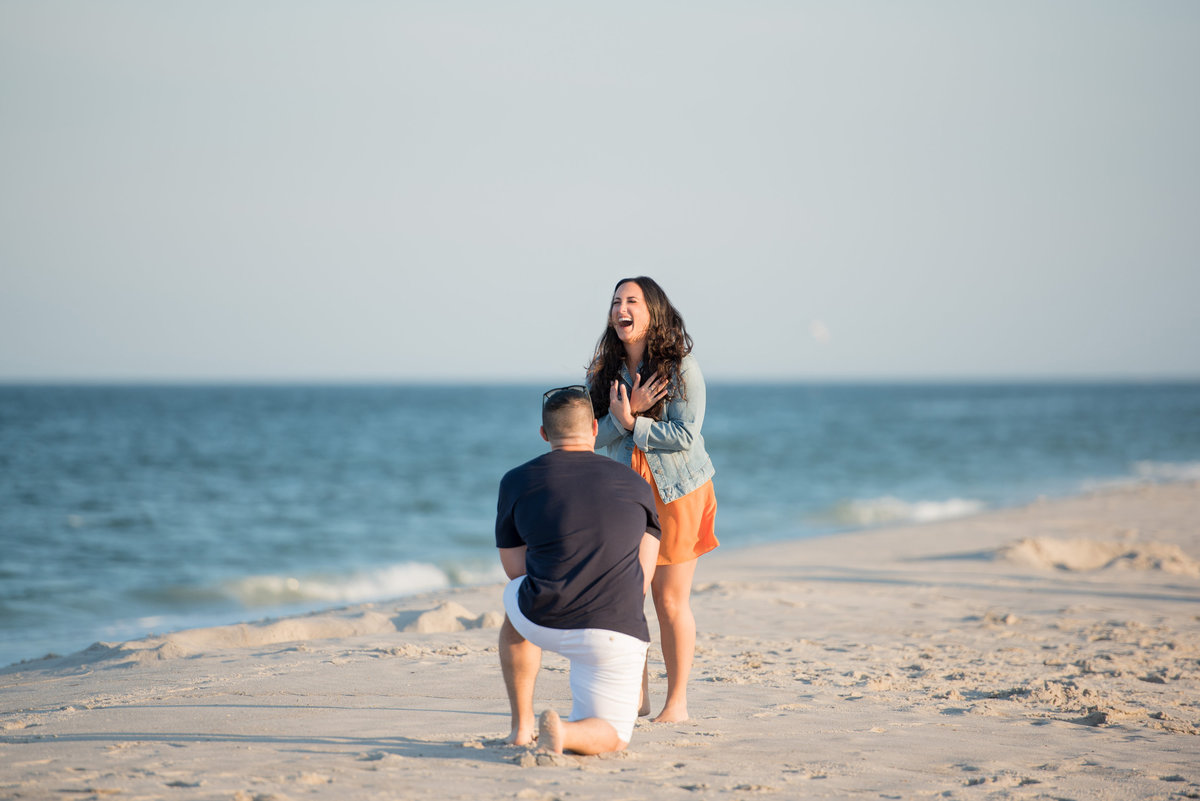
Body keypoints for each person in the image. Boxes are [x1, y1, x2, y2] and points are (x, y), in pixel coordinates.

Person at [496, 385, 662, 755]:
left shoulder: (516, 481)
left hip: (543, 616)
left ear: (544, 435)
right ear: (593, 430)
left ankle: (522, 727)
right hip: (615, 628)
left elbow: (513, 569)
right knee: (614, 736)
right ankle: (566, 735)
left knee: (515, 602)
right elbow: (643, 578)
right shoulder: (635, 485)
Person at [586, 276, 718, 724]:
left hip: (679, 493)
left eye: (632, 301)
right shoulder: (604, 371)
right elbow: (591, 435)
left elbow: (685, 437)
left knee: (670, 601)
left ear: (652, 311)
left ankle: (676, 705)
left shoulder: (682, 368)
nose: (621, 308)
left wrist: (635, 419)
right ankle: (636, 698)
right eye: (615, 302)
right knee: (628, 597)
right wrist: (623, 420)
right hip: (626, 495)